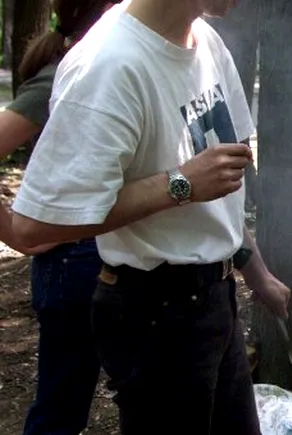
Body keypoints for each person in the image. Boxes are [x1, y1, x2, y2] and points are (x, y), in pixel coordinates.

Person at [10, 0, 292, 433]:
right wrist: (179, 183)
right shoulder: (108, 67)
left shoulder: (207, 41)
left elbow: (219, 191)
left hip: (214, 298)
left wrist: (256, 273)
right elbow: (35, 226)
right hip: (155, 316)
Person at [0, 1, 117, 434]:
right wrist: (15, 233)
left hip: (104, 254)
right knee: (61, 408)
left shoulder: (106, 64)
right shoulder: (71, 69)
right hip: (74, 261)